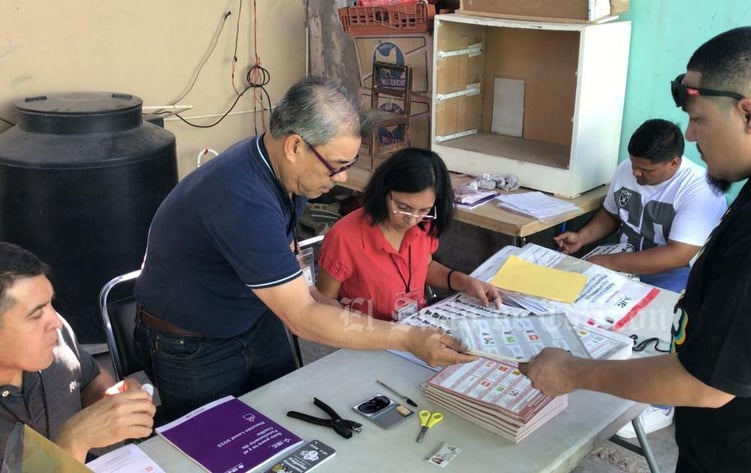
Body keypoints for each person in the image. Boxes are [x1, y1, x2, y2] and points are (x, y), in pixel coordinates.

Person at [520, 26, 751, 472]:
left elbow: (706, 384)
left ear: (750, 115)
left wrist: (571, 372)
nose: (690, 136)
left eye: (700, 119)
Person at [134, 77, 476, 422]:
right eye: (337, 165)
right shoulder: (241, 197)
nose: (341, 177)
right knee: (219, 445)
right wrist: (410, 338)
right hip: (193, 343)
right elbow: (302, 320)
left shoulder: (285, 174)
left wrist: (315, 297)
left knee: (284, 419)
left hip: (256, 318)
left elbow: (285, 264)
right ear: (295, 146)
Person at [0, 242, 155, 464]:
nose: (55, 321)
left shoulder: (56, 336)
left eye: (50, 304)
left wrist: (109, 404)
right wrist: (74, 441)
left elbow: (89, 378)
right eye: (36, 315)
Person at [316, 147, 501, 321]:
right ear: (384, 191)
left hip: (416, 328)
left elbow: (424, 267)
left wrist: (464, 282)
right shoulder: (344, 237)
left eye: (424, 210)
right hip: (368, 339)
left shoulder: (425, 225)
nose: (412, 220)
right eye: (403, 208)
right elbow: (325, 305)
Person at [554, 119, 727, 293]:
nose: (635, 172)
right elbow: (611, 215)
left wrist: (608, 262)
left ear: (674, 163)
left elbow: (678, 255)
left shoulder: (701, 188)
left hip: (674, 271)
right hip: (624, 257)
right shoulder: (625, 169)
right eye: (633, 164)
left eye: (645, 169)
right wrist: (582, 237)